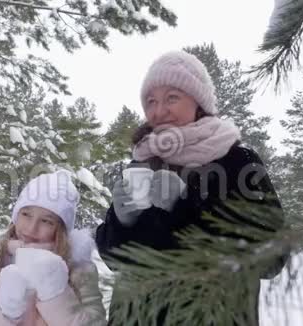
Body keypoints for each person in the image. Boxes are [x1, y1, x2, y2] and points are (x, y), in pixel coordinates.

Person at [95, 50, 288, 325]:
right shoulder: (141, 162)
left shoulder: (238, 162)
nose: (159, 111)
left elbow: (273, 258)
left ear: (198, 101)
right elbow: (114, 260)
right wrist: (119, 224)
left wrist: (186, 206)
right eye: (151, 101)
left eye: (171, 98)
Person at [0, 170, 106, 326]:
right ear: (16, 215)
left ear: (61, 229)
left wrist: (55, 293)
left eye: (46, 221)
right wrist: (4, 311)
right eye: (26, 214)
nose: (31, 229)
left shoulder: (78, 268)